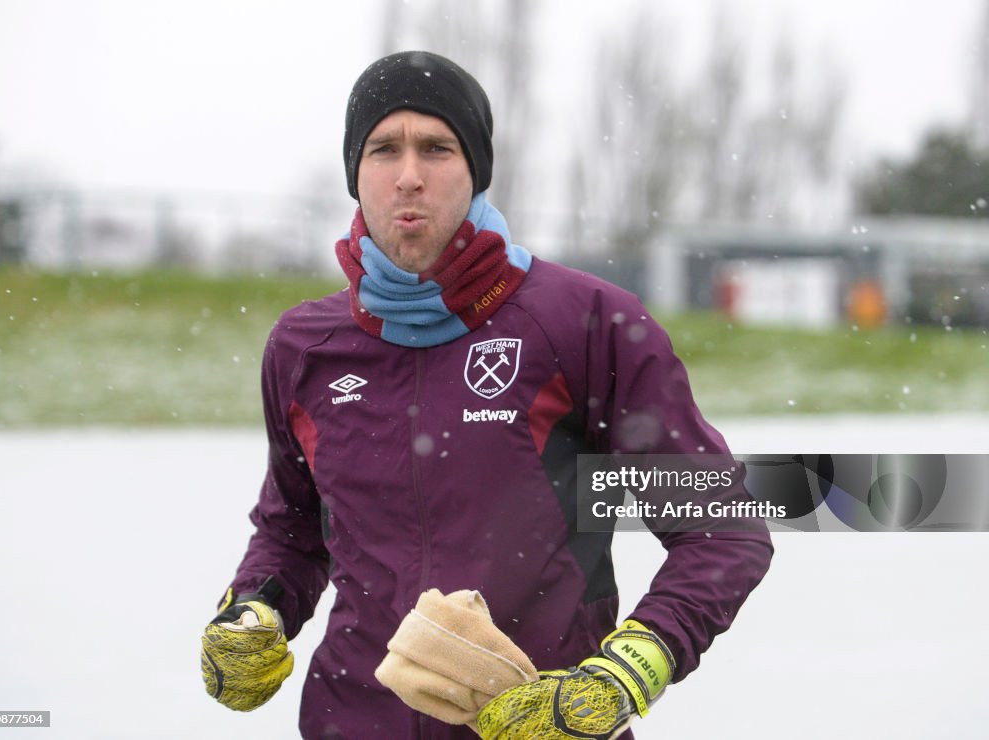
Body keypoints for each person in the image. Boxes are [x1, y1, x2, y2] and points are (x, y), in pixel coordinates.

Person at [200, 50, 773, 739]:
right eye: (384, 149)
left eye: (436, 148)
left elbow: (721, 529)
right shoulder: (304, 348)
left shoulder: (582, 322)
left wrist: (626, 673)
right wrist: (255, 611)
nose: (409, 176)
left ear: (475, 170)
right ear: (356, 173)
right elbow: (292, 534)